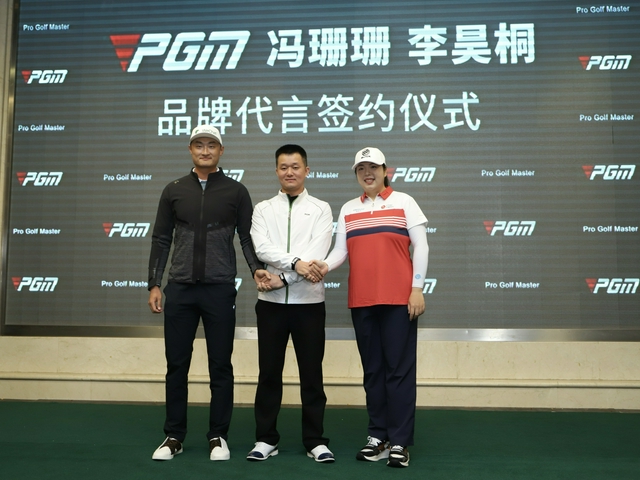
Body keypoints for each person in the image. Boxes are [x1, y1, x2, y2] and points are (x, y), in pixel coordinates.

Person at [147, 124, 270, 462]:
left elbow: (246, 237)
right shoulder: (173, 190)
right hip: (180, 290)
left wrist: (256, 269)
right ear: (190, 150)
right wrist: (154, 283)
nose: (205, 150)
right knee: (177, 365)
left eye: (211, 145)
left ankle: (218, 436)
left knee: (220, 366)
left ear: (221, 151)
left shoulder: (236, 191)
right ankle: (174, 436)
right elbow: (161, 239)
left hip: (219, 290)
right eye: (199, 145)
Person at [309, 147, 429, 468]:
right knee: (373, 371)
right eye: (361, 168)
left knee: (399, 371)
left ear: (385, 170)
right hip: (362, 302)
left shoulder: (404, 202)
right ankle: (378, 436)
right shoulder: (349, 208)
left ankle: (400, 442)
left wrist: (417, 288)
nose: (367, 173)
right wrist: (323, 266)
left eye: (372, 167)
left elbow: (421, 246)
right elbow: (340, 251)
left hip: (399, 301)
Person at [246, 144, 335, 463]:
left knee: (312, 375)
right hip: (270, 304)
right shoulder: (263, 209)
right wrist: (296, 264)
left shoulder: (321, 209)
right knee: (269, 373)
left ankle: (315, 440)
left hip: (309, 304)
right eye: (283, 167)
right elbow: (262, 248)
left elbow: (318, 254)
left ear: (306, 170)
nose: (289, 172)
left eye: (295, 166)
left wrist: (284, 278)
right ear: (276, 171)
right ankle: (266, 439)